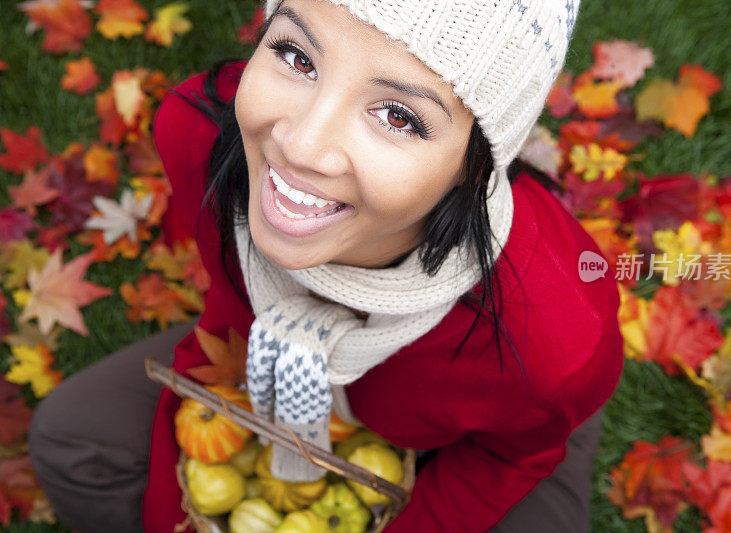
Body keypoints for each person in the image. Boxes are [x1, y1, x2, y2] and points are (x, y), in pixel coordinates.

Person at [29, 0, 624, 531]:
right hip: (284, 351)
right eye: (296, 56)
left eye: (397, 116)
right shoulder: (197, 135)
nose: (301, 146)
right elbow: (231, 310)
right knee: (69, 440)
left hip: (498, 425)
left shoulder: (550, 344)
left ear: (475, 165)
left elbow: (508, 457)